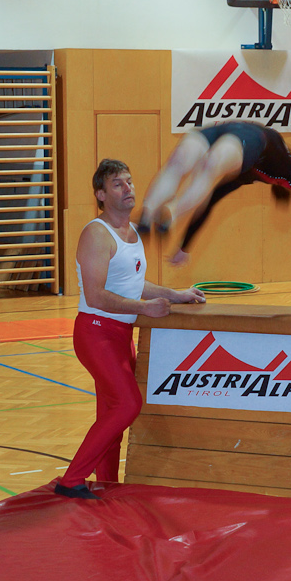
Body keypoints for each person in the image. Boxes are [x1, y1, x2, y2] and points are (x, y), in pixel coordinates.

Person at [59, 159, 206, 500]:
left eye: (129, 181)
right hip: (96, 332)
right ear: (100, 195)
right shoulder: (97, 234)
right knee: (127, 405)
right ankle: (72, 479)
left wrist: (175, 294)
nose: (128, 189)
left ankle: (106, 484)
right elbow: (95, 296)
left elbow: (133, 284)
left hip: (120, 335)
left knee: (112, 413)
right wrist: (143, 308)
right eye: (118, 184)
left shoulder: (133, 232)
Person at [137, 120, 291, 270]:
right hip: (245, 141)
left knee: (177, 164)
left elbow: (208, 204)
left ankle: (148, 211)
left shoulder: (244, 175)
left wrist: (185, 246)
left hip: (215, 130)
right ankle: (173, 212)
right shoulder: (287, 174)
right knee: (209, 171)